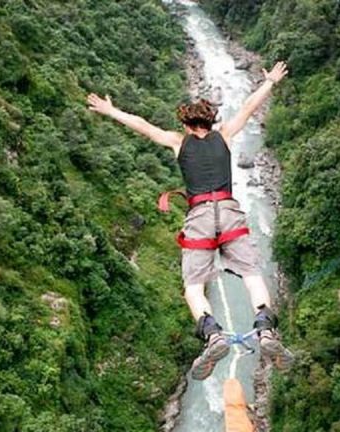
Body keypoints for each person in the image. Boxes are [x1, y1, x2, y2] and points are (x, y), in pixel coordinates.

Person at [87, 61, 294, 380]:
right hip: (229, 213)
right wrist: (269, 82)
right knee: (252, 273)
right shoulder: (224, 136)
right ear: (210, 122)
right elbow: (249, 107)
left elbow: (142, 125)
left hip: (199, 218)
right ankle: (265, 330)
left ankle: (213, 335)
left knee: (194, 287)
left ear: (185, 124)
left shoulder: (177, 141)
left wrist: (112, 111)